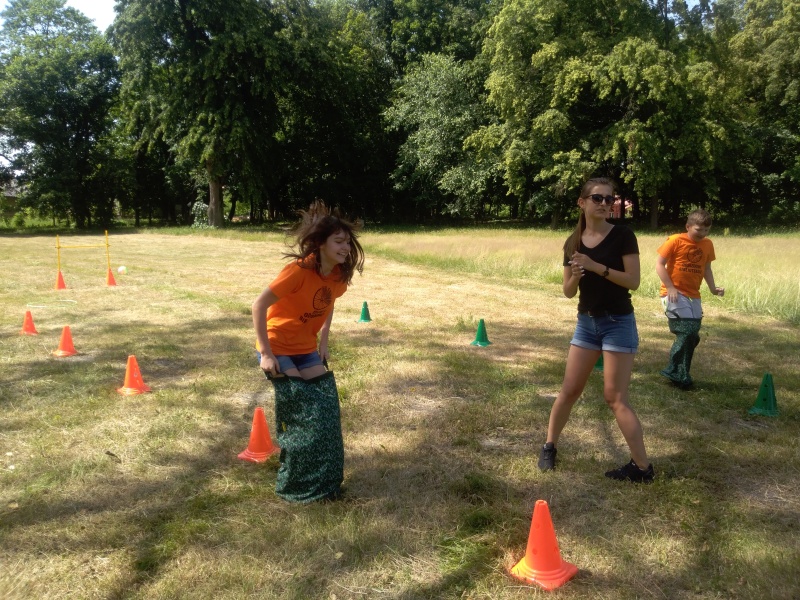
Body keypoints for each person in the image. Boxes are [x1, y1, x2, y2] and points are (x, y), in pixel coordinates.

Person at [538, 177, 654, 483]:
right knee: (569, 390)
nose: (605, 203)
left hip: (618, 323)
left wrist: (596, 266)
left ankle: (642, 468)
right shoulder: (572, 242)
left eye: (609, 199)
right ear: (582, 202)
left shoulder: (623, 236)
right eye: (598, 198)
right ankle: (549, 447)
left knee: (615, 398)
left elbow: (633, 281)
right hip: (586, 323)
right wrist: (577, 275)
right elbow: (567, 291)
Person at [251, 200, 364, 502]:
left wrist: (323, 342)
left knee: (324, 409)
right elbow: (258, 305)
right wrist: (266, 353)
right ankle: (298, 484)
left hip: (305, 348)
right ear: (321, 244)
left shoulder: (337, 275)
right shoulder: (298, 271)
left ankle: (324, 483)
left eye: (348, 242)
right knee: (301, 409)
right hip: (277, 346)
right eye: (338, 241)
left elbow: (329, 303)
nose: (346, 248)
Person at [655, 209, 724, 389]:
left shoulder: (708, 244)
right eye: (698, 230)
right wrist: (670, 286)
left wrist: (713, 288)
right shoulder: (675, 240)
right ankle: (676, 373)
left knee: (692, 334)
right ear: (688, 226)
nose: (702, 234)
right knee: (687, 331)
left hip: (694, 295)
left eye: (706, 230)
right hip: (673, 293)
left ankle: (680, 371)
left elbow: (707, 269)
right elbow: (659, 264)